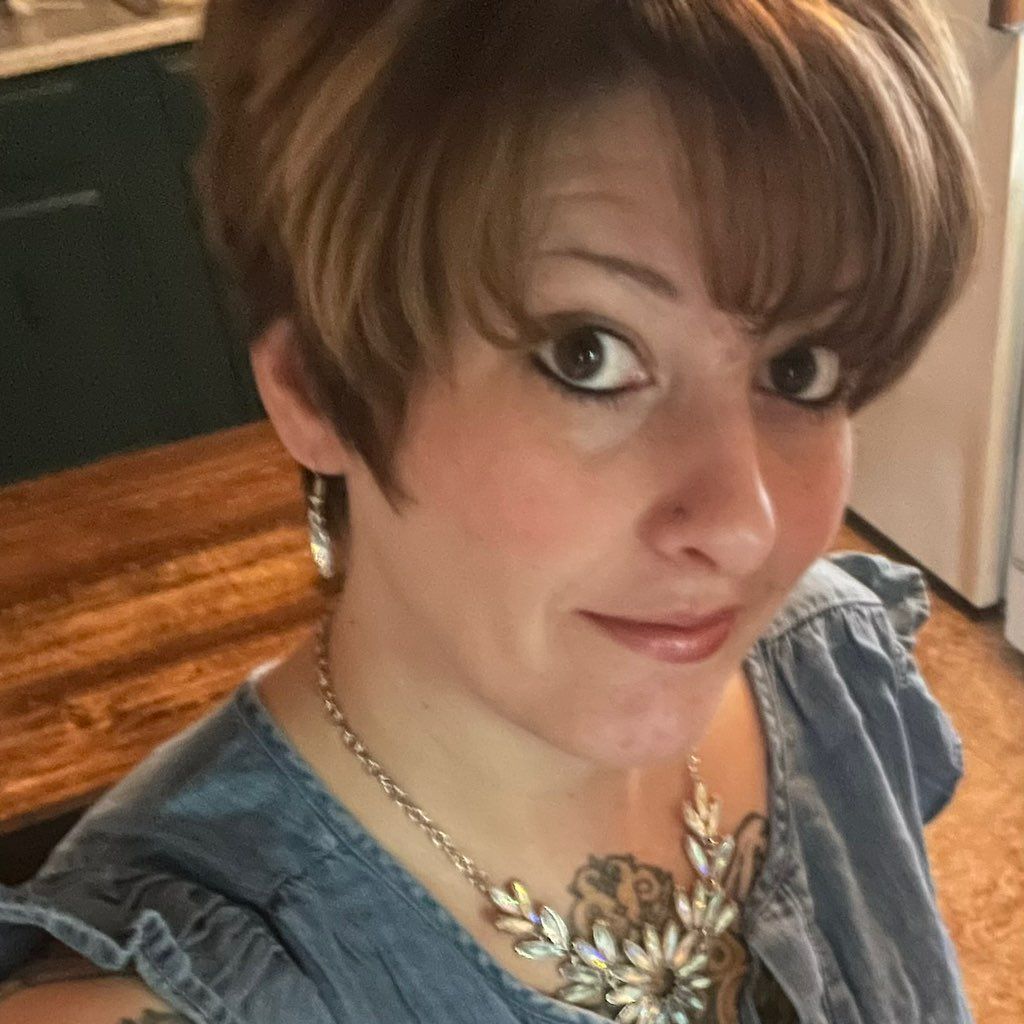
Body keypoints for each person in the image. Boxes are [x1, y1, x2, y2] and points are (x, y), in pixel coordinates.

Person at [0, 1, 982, 1022]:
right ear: (319, 389)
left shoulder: (827, 672)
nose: (746, 525)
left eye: (800, 366)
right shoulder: (170, 995)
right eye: (588, 354)